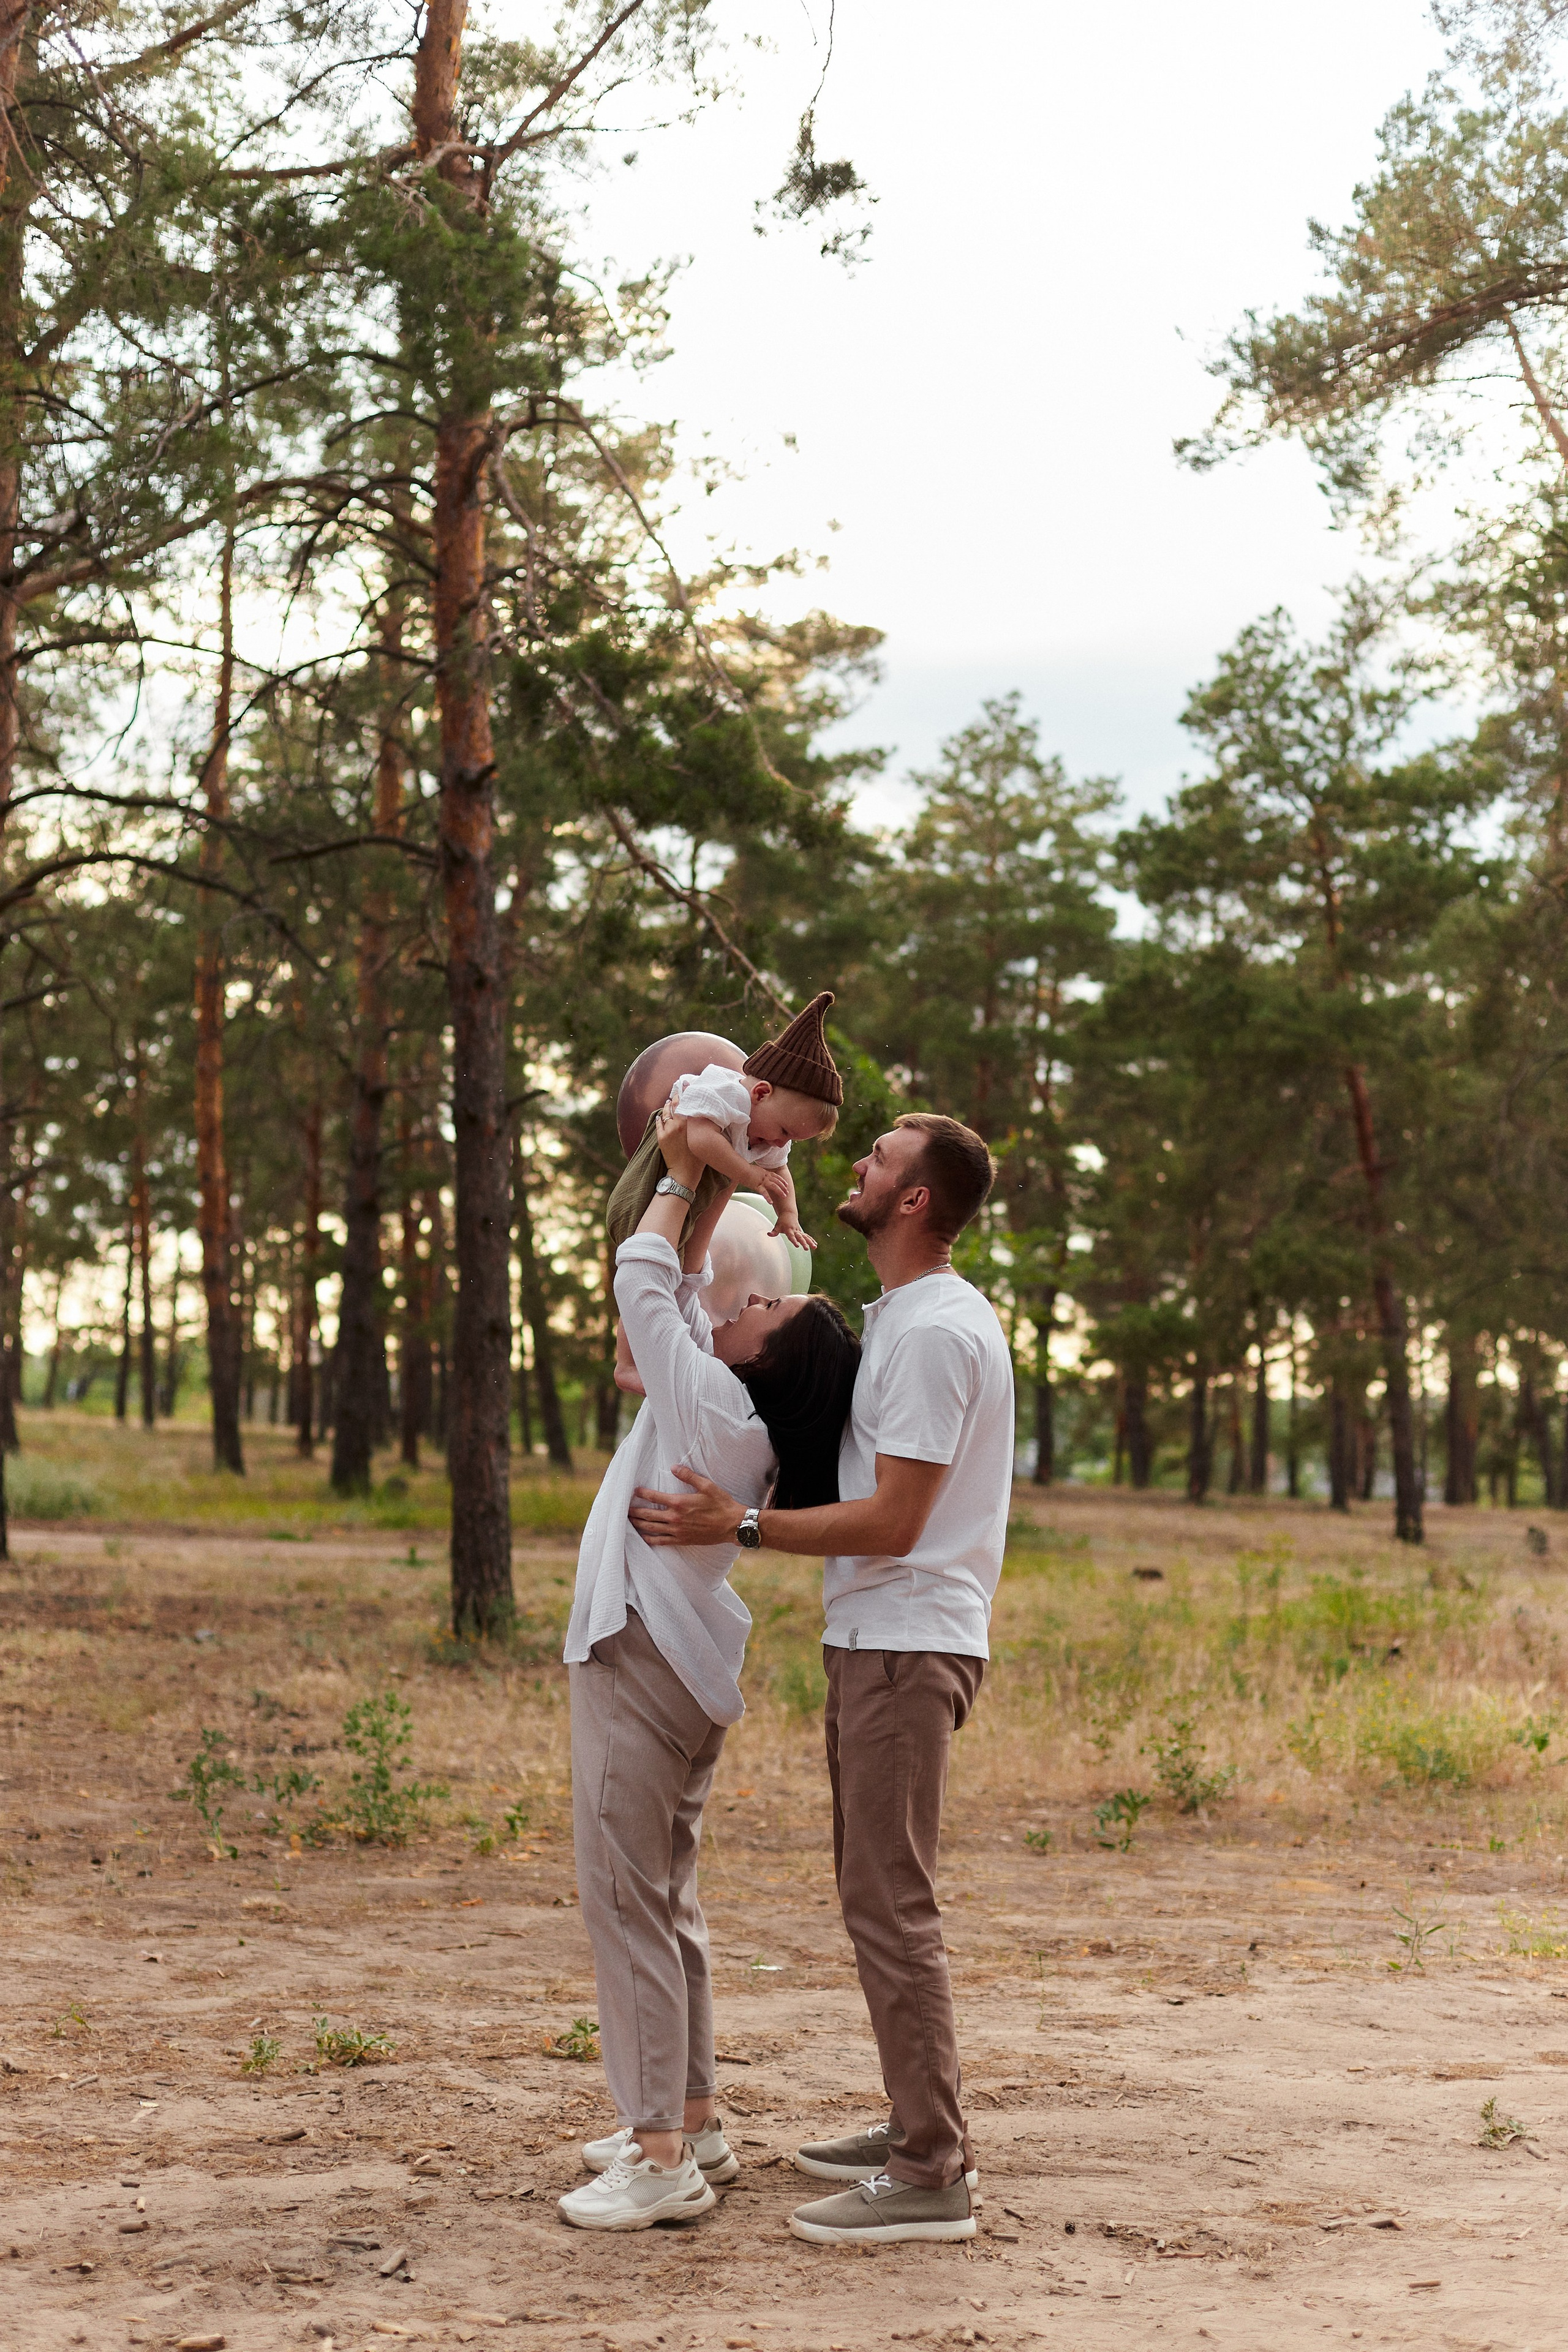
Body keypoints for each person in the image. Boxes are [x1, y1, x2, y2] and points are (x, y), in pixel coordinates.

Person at [630, 1112, 1010, 2248]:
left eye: (883, 1155)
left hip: (905, 1641)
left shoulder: (940, 1330)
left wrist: (741, 1525)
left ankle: (931, 2167)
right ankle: (913, 2124)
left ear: (914, 1202)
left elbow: (898, 1521)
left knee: (891, 1905)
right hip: (877, 1639)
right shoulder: (906, 1319)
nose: (862, 1162)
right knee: (875, 1898)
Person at [559, 1109, 861, 2234]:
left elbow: (646, 1273)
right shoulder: (731, 1405)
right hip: (675, 1665)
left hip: (642, 1660)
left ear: (772, 1358)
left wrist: (690, 1167)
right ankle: (694, 2118)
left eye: (768, 1308)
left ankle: (659, 2159)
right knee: (668, 1899)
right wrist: (727, 1173)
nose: (748, 1301)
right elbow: (680, 1294)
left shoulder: (716, 1407)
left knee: (626, 1902)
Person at [606, 992, 843, 1393]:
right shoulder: (724, 1089)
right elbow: (699, 1140)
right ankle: (627, 1362)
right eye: (784, 1131)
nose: (779, 1142)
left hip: (693, 1192)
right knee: (647, 1264)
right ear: (761, 1093)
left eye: (792, 1138)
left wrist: (789, 1215)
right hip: (655, 1180)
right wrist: (750, 1176)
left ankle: (662, 1351)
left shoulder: (768, 1131)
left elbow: (779, 1169)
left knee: (680, 1272)